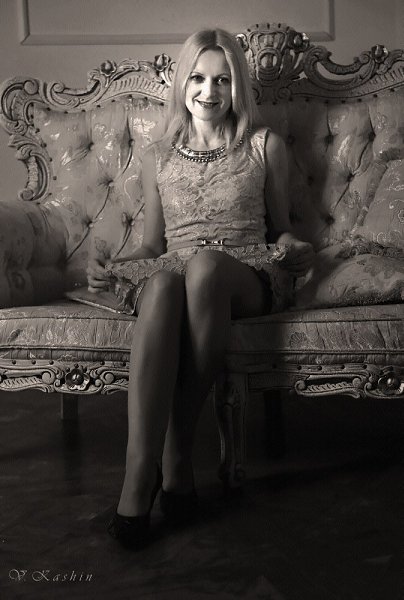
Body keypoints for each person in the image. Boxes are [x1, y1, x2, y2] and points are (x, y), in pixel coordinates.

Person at [87, 28, 314, 550]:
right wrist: (114, 266)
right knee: (164, 284)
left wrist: (294, 248)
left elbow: (280, 227)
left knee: (206, 267)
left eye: (222, 80)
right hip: (176, 267)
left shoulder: (263, 145)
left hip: (245, 273)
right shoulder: (158, 155)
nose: (209, 92)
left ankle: (172, 452)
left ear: (238, 87)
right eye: (197, 78)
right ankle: (141, 472)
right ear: (181, 84)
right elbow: (152, 246)